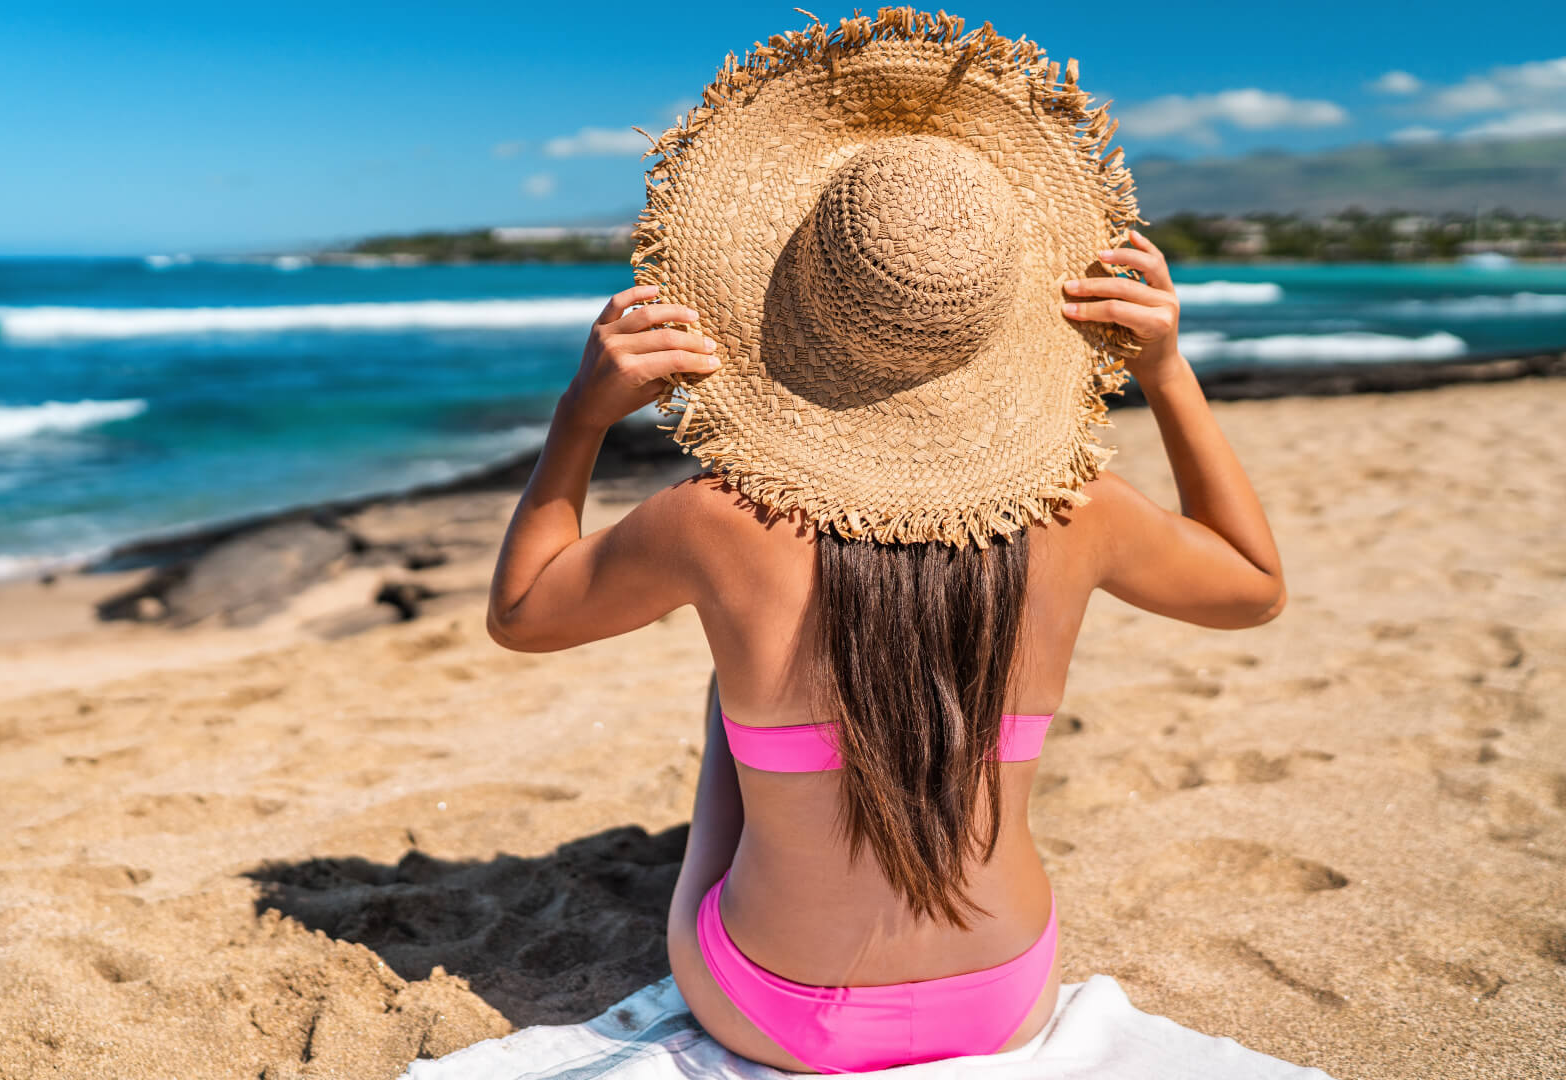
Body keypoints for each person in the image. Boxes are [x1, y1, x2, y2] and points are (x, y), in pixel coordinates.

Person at [486, 11, 1283, 1073]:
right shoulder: (1079, 508)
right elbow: (1254, 586)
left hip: (770, 1010)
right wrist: (1168, 373)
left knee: (737, 703)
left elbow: (522, 614)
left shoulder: (716, 519)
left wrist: (580, 417)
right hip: (1006, 1000)